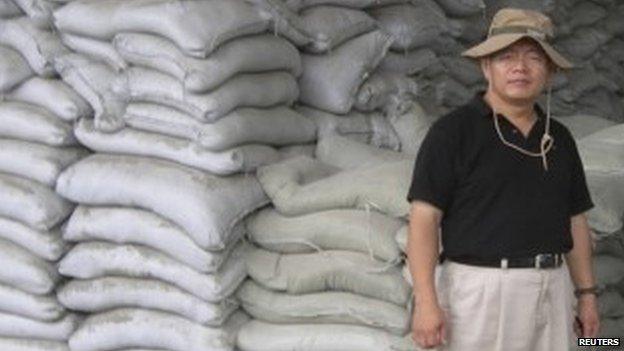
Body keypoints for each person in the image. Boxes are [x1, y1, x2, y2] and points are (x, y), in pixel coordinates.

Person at [406, 8, 600, 351]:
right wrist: (425, 302)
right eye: (506, 57)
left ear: (550, 71)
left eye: (533, 58)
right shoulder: (453, 132)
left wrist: (586, 295)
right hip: (481, 292)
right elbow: (424, 219)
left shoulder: (559, 138)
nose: (520, 68)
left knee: (599, 346)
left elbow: (575, 219)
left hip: (553, 289)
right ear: (486, 67)